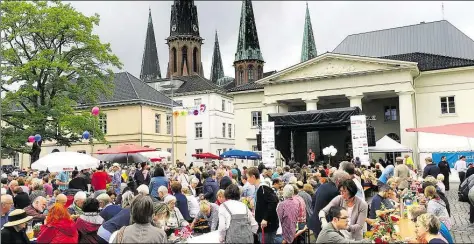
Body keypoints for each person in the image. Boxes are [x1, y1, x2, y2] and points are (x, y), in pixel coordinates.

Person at [308, 170, 349, 239]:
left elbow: (313, 202)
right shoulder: (336, 191)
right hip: (325, 224)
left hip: (316, 222)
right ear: (339, 181)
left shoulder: (322, 186)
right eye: (346, 182)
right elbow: (339, 211)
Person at [247, 166, 279, 243]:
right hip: (264, 225)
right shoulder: (259, 188)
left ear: (253, 177)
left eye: (248, 177)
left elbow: (273, 202)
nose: (247, 179)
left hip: (268, 226)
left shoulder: (263, 188)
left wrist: (265, 218)